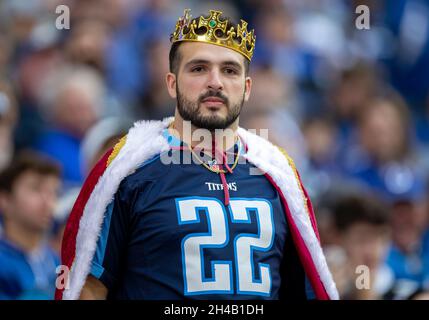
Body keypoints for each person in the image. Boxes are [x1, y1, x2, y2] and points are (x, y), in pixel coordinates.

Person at [56, 9, 338, 300]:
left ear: (247, 88)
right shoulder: (128, 170)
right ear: (171, 83)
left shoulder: (278, 175)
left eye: (230, 70)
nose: (215, 82)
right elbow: (88, 286)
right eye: (198, 68)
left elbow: (302, 289)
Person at [0, 151, 61, 299]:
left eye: (53, 192)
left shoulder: (57, 262)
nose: (48, 201)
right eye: (35, 189)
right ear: (4, 200)